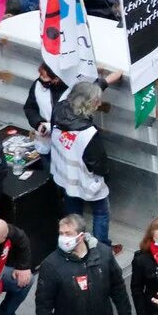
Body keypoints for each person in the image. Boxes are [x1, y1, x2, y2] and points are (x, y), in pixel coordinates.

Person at [47, 81, 114, 249]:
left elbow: (82, 91)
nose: (99, 104)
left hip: (65, 176)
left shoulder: (59, 109)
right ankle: (101, 249)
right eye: (97, 100)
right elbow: (98, 163)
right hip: (85, 180)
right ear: (88, 103)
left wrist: (103, 82)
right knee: (101, 212)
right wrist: (106, 175)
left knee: (73, 213)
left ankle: (75, 245)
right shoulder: (87, 132)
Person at [0, 218, 35, 315]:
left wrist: (23, 267)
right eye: (4, 238)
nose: (9, 236)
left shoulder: (3, 231)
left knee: (26, 280)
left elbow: (21, 238)